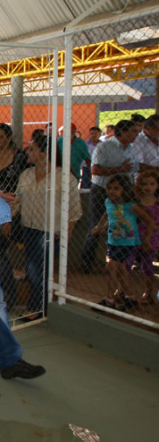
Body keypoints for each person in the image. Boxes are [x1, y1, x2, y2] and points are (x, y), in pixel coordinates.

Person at [13, 135, 82, 316]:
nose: (28, 151)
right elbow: (17, 201)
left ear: (45, 153)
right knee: (35, 268)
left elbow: (74, 211)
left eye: (32, 148)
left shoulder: (65, 178)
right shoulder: (27, 174)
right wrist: (6, 219)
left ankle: (36, 307)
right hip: (28, 228)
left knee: (38, 270)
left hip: (52, 231)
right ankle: (38, 305)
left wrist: (68, 233)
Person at [81, 119, 139, 273]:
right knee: (96, 226)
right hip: (102, 190)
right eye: (133, 131)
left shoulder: (131, 149)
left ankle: (120, 262)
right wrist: (120, 169)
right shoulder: (104, 146)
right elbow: (95, 170)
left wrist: (132, 191)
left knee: (123, 225)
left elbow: (133, 171)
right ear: (123, 132)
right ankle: (87, 263)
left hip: (124, 194)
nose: (136, 134)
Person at [92, 174, 155, 309]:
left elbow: (149, 220)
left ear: (124, 190)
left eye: (116, 188)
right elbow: (108, 214)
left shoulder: (130, 206)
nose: (112, 191)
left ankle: (109, 299)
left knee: (110, 267)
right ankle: (130, 297)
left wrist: (147, 238)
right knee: (121, 270)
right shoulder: (109, 202)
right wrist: (100, 225)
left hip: (127, 243)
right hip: (113, 241)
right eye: (110, 188)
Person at [0, 122, 28, 307]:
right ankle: (4, 297)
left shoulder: (19, 159)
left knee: (0, 255)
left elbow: (21, 190)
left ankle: (8, 297)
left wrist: (8, 219)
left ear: (9, 138)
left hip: (11, 212)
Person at [133, 170, 159, 304]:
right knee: (126, 263)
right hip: (134, 237)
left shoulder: (157, 203)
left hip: (152, 238)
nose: (148, 187)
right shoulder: (137, 201)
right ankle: (122, 290)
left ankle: (149, 292)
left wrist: (150, 229)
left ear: (157, 186)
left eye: (152, 184)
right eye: (144, 184)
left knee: (147, 266)